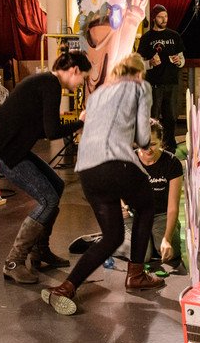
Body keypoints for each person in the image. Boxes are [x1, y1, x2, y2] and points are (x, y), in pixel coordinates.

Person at [41, 53, 163, 316]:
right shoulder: (140, 88)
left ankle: (66, 287)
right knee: (146, 206)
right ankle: (136, 274)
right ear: (138, 74)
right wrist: (138, 141)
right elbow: (144, 137)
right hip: (115, 164)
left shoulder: (98, 95)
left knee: (112, 236)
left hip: (87, 171)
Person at [0, 51, 91, 284]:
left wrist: (75, 124)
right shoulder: (50, 84)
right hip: (3, 151)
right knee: (48, 199)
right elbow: (52, 132)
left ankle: (40, 251)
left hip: (13, 148)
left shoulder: (44, 82)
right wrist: (80, 122)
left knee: (56, 185)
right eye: (83, 78)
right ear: (74, 70)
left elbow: (41, 129)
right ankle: (13, 262)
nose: (81, 84)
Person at [112, 120, 184, 268]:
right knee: (143, 255)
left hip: (161, 215)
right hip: (134, 216)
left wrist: (167, 239)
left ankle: (153, 236)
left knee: (172, 252)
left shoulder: (172, 163)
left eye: (153, 144)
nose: (148, 150)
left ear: (161, 141)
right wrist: (122, 206)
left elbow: (172, 207)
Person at [137, 4, 185, 152]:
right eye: (160, 17)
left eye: (166, 16)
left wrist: (179, 61)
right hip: (154, 84)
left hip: (171, 82)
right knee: (153, 117)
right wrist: (150, 63)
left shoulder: (174, 36)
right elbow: (138, 63)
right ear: (154, 18)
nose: (164, 20)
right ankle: (152, 145)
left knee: (171, 117)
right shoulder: (147, 38)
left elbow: (182, 58)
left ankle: (170, 145)